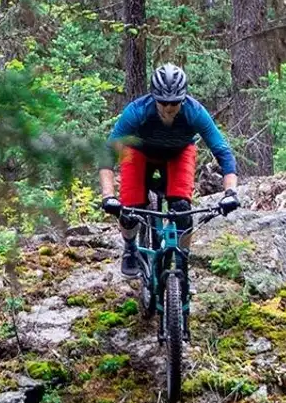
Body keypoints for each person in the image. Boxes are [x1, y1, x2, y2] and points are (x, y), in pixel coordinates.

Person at [97, 63, 241, 277]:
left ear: (183, 99)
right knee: (130, 208)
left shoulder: (195, 112)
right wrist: (108, 196)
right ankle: (130, 247)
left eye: (174, 103)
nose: (168, 108)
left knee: (182, 207)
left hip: (178, 153)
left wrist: (231, 193)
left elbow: (223, 153)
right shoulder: (137, 112)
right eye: (163, 102)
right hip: (139, 153)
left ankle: (183, 255)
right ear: (154, 97)